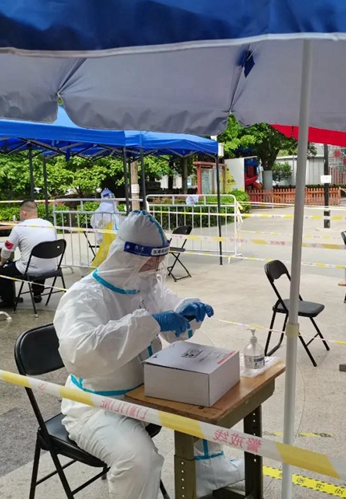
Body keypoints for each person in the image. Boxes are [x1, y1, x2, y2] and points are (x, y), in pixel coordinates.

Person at [54, 210, 244, 499]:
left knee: (204, 399)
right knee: (138, 462)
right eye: (151, 259)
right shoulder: (83, 296)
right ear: (128, 256)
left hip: (145, 391)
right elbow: (82, 355)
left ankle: (209, 470)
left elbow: (171, 321)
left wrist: (186, 313)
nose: (156, 266)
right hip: (97, 404)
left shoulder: (144, 283)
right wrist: (149, 323)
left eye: (159, 259)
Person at [0, 200, 58, 308]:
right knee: (39, 258)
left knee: (0, 271)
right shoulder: (49, 224)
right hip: (51, 266)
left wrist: (2, 262)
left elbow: (7, 249)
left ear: (23, 213)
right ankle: (37, 293)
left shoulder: (19, 228)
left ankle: (8, 301)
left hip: (30, 268)